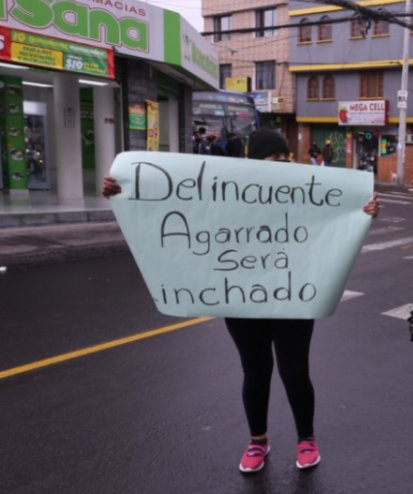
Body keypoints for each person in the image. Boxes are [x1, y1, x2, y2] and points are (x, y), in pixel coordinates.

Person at [101, 129, 380, 474]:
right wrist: (121, 191)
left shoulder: (301, 189)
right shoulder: (231, 190)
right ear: (252, 161)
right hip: (242, 296)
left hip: (290, 294)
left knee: (294, 370)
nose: (280, 164)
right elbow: (174, 202)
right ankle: (257, 441)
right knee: (256, 369)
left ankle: (306, 439)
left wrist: (362, 210)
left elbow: (333, 217)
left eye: (284, 158)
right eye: (273, 158)